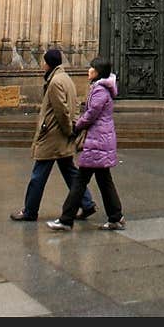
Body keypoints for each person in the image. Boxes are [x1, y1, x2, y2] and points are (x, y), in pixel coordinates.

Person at [9, 47, 96, 222]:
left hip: (53, 136)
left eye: (44, 62)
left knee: (38, 175)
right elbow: (75, 105)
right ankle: (87, 203)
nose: (42, 65)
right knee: (70, 171)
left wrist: (68, 130)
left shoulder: (55, 82)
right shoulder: (67, 79)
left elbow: (61, 111)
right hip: (61, 136)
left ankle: (30, 211)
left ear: (49, 63)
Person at [47, 58, 125, 231]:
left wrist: (77, 125)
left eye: (91, 68)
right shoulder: (102, 88)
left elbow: (91, 114)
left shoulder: (100, 91)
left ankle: (66, 219)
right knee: (104, 180)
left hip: (97, 141)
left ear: (97, 71)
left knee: (81, 180)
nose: (88, 70)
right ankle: (116, 217)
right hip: (101, 140)